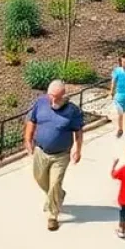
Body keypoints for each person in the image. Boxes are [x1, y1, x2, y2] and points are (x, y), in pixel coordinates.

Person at [23, 78, 84, 232]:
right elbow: (32, 120)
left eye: (56, 96)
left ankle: (52, 216)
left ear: (64, 94)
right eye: (51, 96)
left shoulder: (72, 111)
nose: (53, 99)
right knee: (39, 178)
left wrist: (78, 149)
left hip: (61, 155)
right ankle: (57, 195)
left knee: (55, 183)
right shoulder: (41, 103)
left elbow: (78, 131)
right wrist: (28, 140)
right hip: (41, 151)